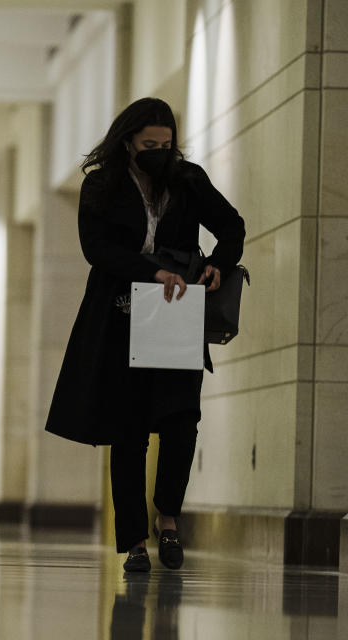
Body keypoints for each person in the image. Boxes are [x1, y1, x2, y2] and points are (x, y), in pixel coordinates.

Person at [44, 97, 245, 572]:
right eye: (149, 144)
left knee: (181, 421)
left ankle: (168, 520)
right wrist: (149, 272)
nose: (158, 151)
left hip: (177, 311)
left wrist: (219, 263)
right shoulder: (103, 184)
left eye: (166, 144)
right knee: (127, 428)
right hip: (121, 312)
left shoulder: (187, 179)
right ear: (129, 140)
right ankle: (134, 539)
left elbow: (231, 225)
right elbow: (96, 248)